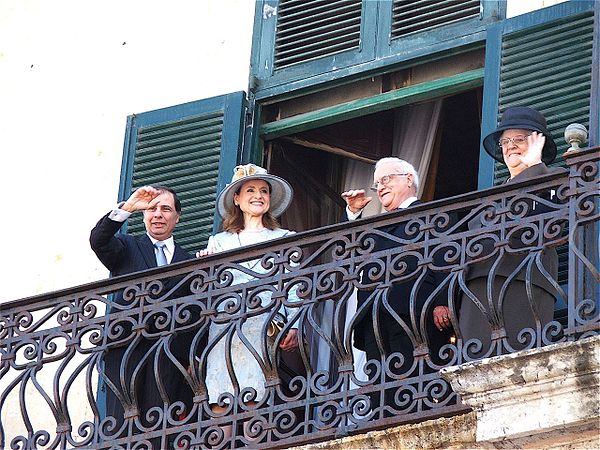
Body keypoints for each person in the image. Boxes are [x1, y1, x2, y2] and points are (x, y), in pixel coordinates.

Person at [197, 164, 300, 446]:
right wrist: (205, 267)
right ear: (237, 200)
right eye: (251, 190)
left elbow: (294, 287)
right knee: (220, 392)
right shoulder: (218, 242)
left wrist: (294, 323)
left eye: (264, 191)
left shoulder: (284, 239)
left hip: (262, 325)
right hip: (224, 327)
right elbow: (208, 291)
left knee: (256, 391)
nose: (258, 195)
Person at [89, 185, 194, 438]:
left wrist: (192, 358)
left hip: (169, 353)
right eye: (152, 209)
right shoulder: (126, 247)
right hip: (125, 347)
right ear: (145, 215)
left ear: (177, 218)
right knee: (121, 423)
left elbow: (195, 315)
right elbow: (98, 240)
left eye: (166, 209)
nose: (158, 214)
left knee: (160, 425)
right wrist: (128, 207)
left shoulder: (190, 262)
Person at [459, 106, 564, 358]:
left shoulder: (554, 179)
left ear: (537, 142)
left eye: (519, 139)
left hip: (522, 285)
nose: (510, 146)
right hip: (477, 290)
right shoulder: (490, 196)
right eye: (505, 141)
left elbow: (553, 227)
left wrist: (535, 167)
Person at [342, 158, 453, 393]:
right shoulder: (377, 227)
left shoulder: (431, 214)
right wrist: (353, 213)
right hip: (374, 319)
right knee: (380, 391)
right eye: (376, 184)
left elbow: (446, 258)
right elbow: (347, 254)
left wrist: (443, 302)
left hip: (415, 316)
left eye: (386, 179)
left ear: (409, 179)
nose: (380, 186)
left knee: (414, 385)